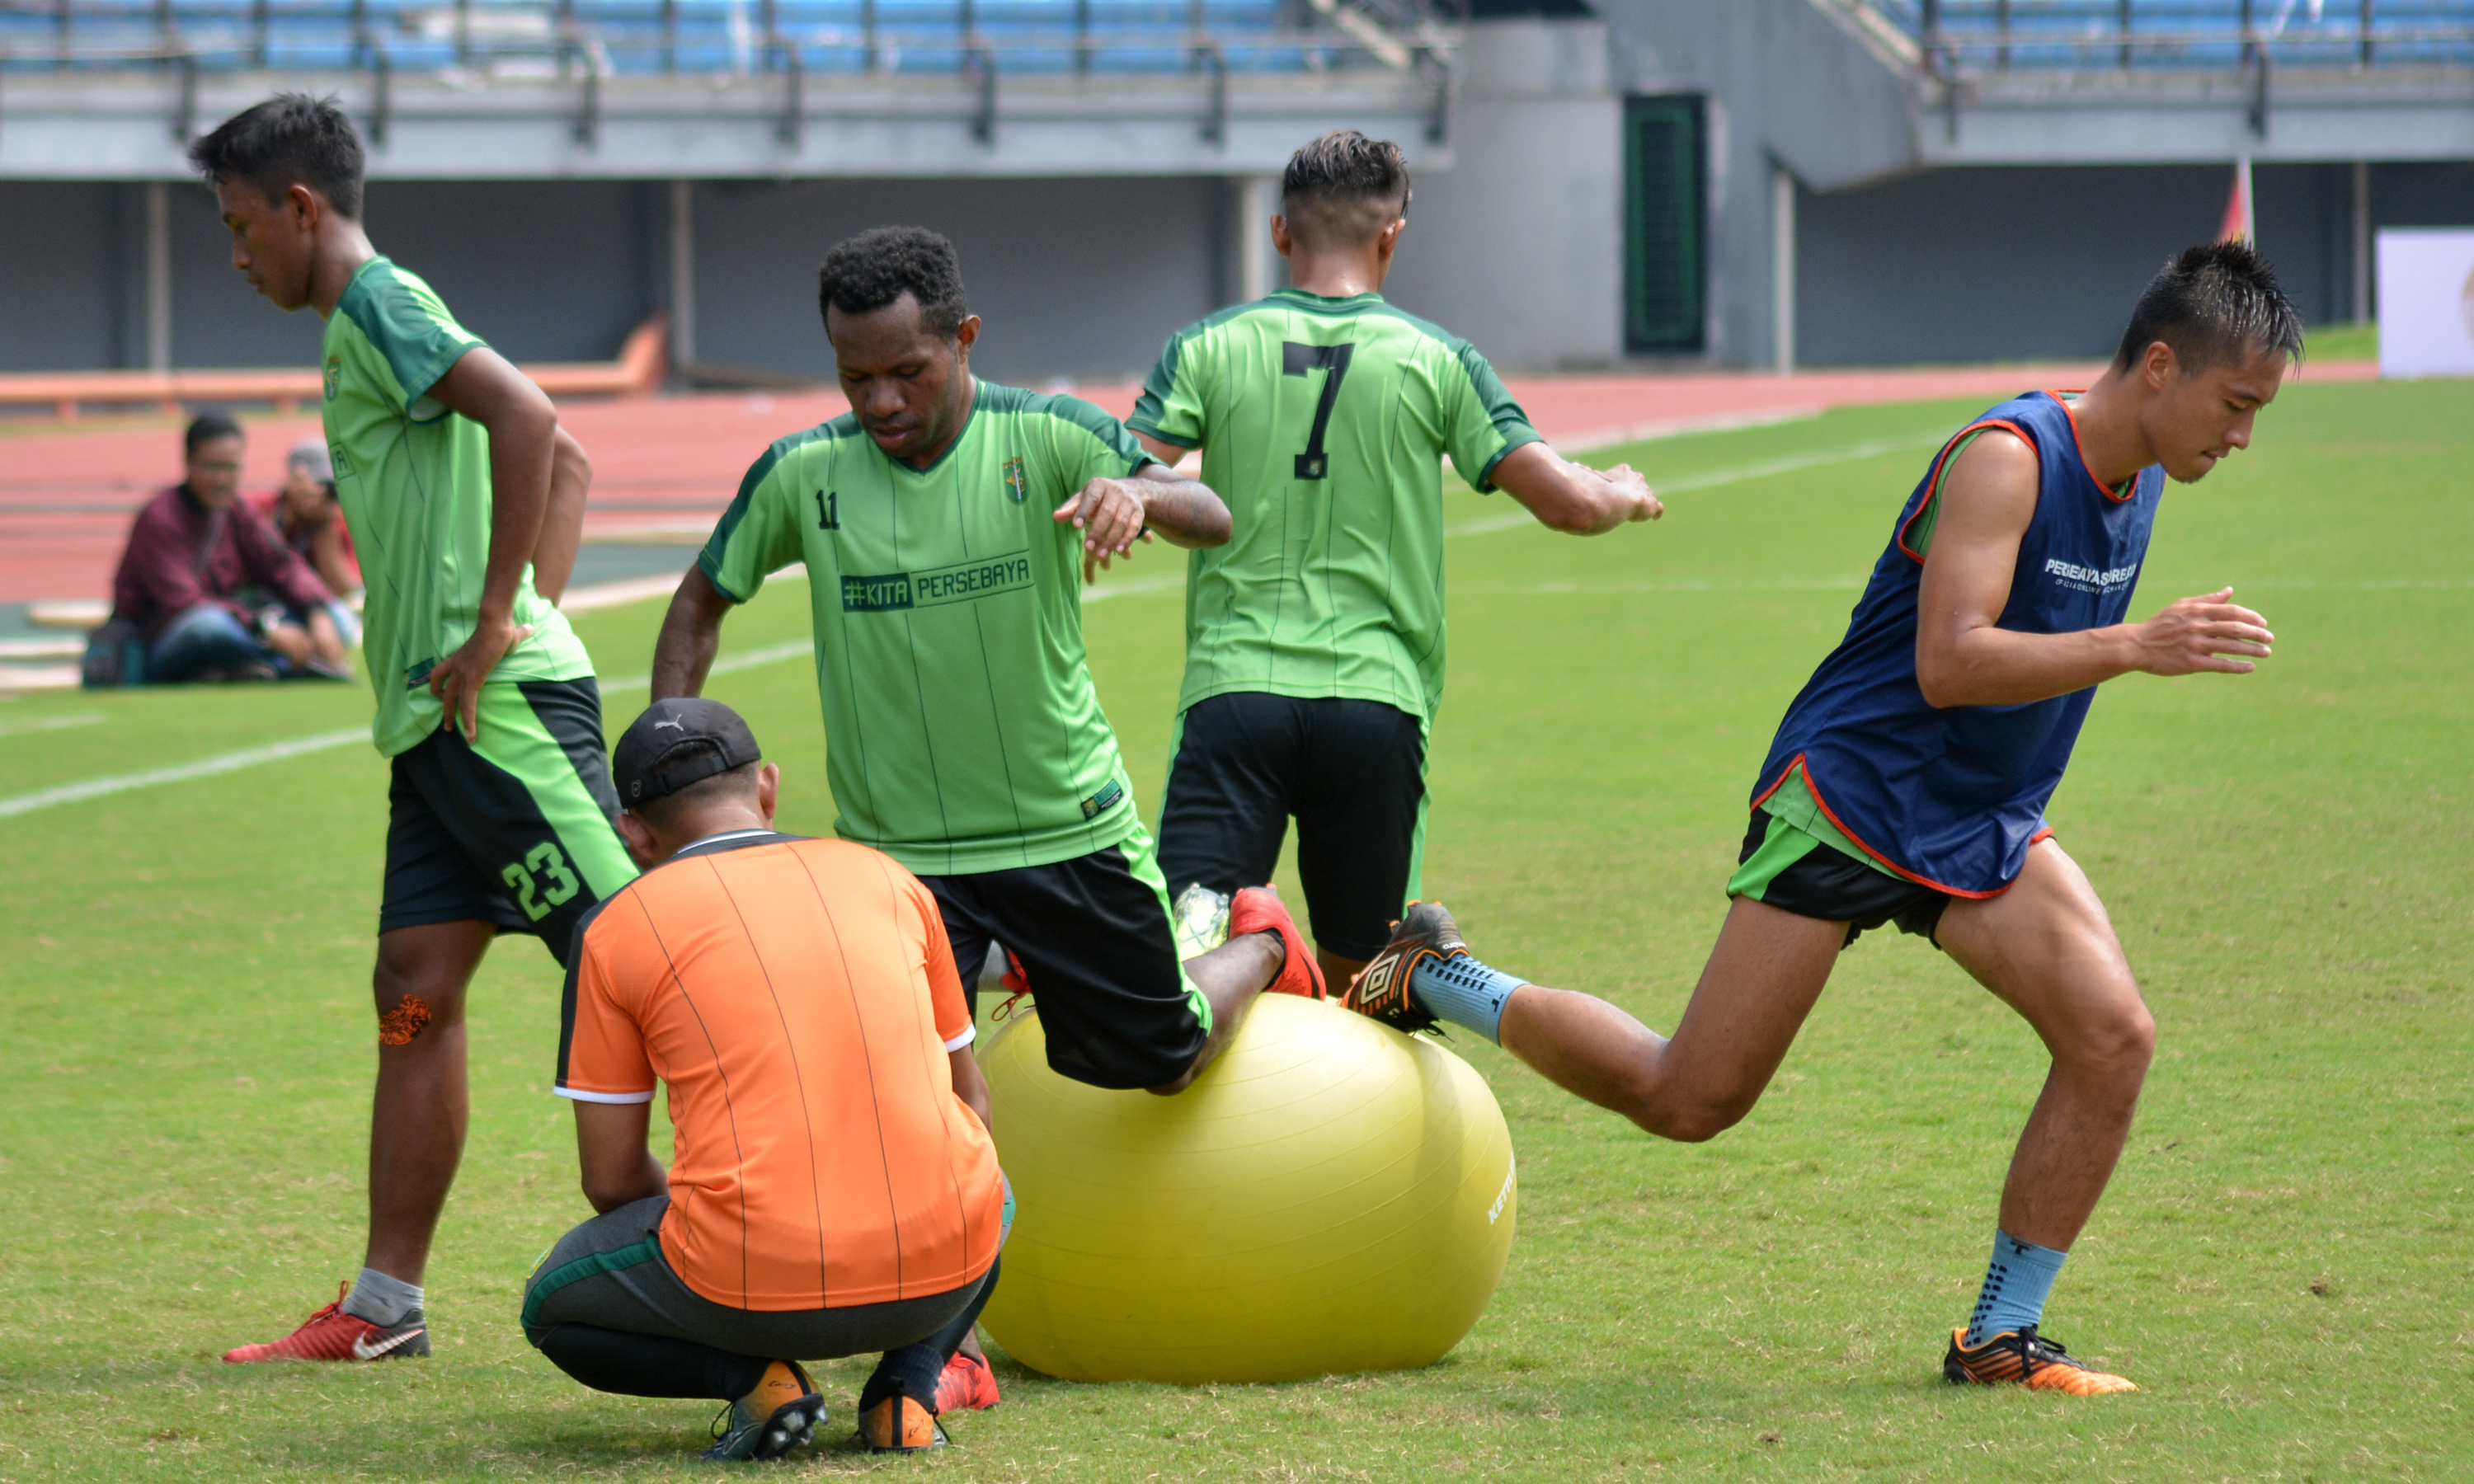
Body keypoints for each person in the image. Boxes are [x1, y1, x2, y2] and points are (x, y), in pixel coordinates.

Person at [1337, 242, 2302, 1395]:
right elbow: (1950, 664)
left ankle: (2002, 1336)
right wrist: (2137, 647)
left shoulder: (2138, 474)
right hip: (1852, 797)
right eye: (2236, 405)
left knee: (2113, 1039)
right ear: (2159, 365)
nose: (2241, 437)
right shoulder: (2007, 460)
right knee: (1687, 1096)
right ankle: (1435, 974)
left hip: (1976, 818)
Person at [653, 228, 1327, 1096]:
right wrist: (665, 759)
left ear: (964, 338)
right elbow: (699, 604)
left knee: (1162, 1059)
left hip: (1064, 828)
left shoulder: (1046, 434)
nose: (882, 401)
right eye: (856, 378)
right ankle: (1014, 974)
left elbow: (1208, 511)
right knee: (890, 1087)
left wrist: (1137, 490)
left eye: (909, 372)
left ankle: (1261, 938)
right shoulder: (802, 472)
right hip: (894, 855)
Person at [190, 93, 639, 1364]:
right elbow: (575, 462)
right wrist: (521, 608)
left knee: (635, 955)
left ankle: (745, 1236)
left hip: (489, 712)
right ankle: (385, 1310)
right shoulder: (366, 324)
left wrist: (502, 622)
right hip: (431, 726)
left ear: (302, 208)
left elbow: (533, 423)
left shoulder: (381, 300)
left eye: (240, 228)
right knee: (413, 992)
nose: (237, 257)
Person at [1127, 131, 1662, 986]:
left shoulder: (1207, 346)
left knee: (1185, 963)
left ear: (1278, 233)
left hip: (1236, 700)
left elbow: (1126, 472)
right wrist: (1625, 490)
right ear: (1393, 236)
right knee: (1362, 979)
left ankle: (1252, 974)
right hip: (1374, 709)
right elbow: (1570, 503)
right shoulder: (1439, 359)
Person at [528, 698, 1007, 1459]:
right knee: (990, 1184)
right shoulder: (890, 879)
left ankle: (760, 1378)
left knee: (552, 1305)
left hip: (743, 1284)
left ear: (634, 834)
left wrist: (738, 1242)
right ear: (769, 788)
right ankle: (905, 1397)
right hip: (944, 1271)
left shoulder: (615, 927)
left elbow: (612, 1179)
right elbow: (972, 1103)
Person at [109, 410, 350, 683]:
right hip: (161, 641)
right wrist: (265, 628)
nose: (222, 479)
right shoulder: (160, 518)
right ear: (188, 462)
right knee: (209, 625)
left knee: (338, 618)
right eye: (212, 467)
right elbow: (184, 603)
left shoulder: (237, 510)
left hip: (237, 623)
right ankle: (286, 667)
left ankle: (240, 669)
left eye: (231, 468)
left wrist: (316, 611)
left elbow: (281, 564)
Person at [256, 438, 365, 647]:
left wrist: (324, 528)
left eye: (330, 486)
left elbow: (346, 592)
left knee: (342, 622)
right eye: (317, 485)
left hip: (315, 608)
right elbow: (256, 565)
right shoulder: (264, 507)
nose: (321, 494)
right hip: (264, 602)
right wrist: (286, 518)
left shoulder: (338, 520)